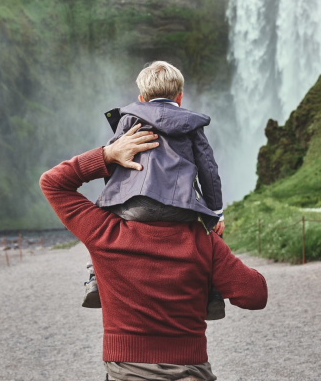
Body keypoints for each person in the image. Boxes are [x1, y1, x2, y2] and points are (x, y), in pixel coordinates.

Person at [40, 124, 267, 380]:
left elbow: (52, 183)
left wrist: (108, 154)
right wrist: (216, 245)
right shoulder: (203, 241)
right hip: (190, 370)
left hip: (126, 370)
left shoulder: (104, 232)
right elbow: (255, 295)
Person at [87, 61, 226, 319]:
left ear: (141, 98)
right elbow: (208, 168)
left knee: (99, 227)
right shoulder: (192, 125)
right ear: (180, 97)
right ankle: (212, 292)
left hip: (134, 206)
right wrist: (216, 211)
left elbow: (115, 159)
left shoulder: (129, 119)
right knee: (211, 237)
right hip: (181, 207)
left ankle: (95, 279)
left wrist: (115, 199)